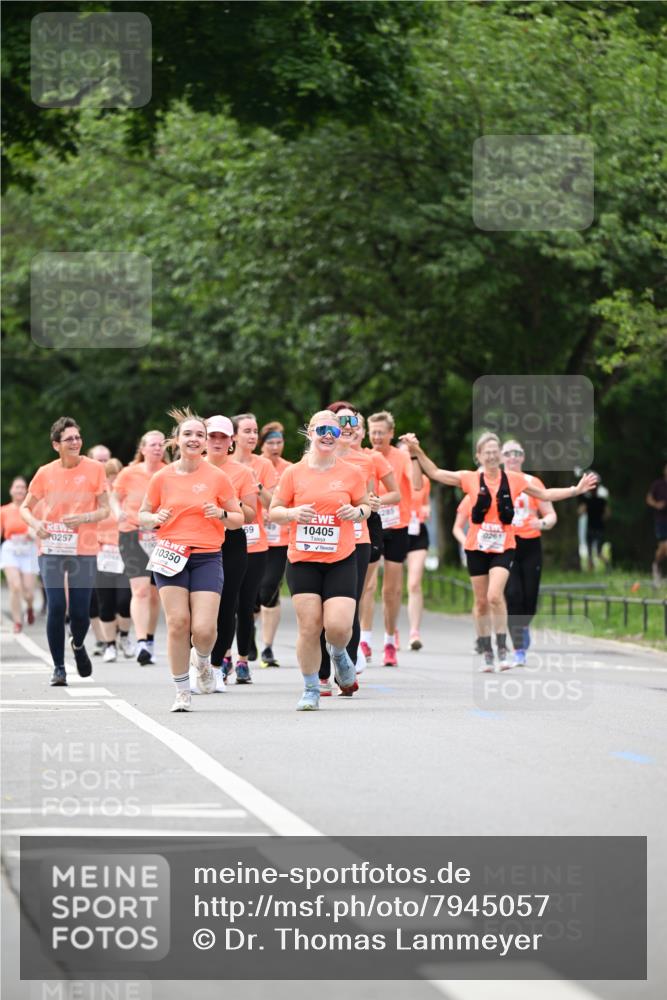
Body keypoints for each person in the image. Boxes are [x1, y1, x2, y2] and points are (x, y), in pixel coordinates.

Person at [402, 430, 598, 672]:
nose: (492, 456)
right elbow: (435, 473)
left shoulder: (514, 480)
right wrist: (417, 451)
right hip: (477, 548)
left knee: (495, 596)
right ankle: (486, 650)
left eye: (496, 452)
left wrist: (575, 490)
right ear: (479, 456)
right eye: (488, 453)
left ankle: (503, 647)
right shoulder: (470, 478)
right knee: (481, 602)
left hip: (504, 546)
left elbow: (545, 494)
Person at [138, 409, 243, 712]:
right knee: (177, 624)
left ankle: (205, 661)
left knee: (205, 629)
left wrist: (221, 514)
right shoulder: (162, 477)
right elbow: (143, 515)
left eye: (201, 435)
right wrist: (154, 517)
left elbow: (237, 518)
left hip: (207, 556)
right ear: (177, 440)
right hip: (170, 554)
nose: (195, 439)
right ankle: (182, 690)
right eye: (189, 434)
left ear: (207, 442)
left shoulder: (217, 477)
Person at [269, 410, 371, 711]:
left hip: (341, 558)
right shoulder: (293, 473)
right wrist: (291, 514)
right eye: (323, 429)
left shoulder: (351, 473)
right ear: (310, 431)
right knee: (309, 627)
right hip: (302, 559)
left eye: (335, 430)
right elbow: (274, 510)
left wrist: (358, 512)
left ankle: (339, 654)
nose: (329, 435)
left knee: (338, 627)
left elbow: (365, 505)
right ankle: (311, 688)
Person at [20, 417, 109, 686]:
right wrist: (36, 525)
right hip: (51, 547)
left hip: (84, 548)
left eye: (78, 437)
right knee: (57, 606)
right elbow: (25, 507)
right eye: (69, 439)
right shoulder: (45, 472)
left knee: (80, 613)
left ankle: (79, 645)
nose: (75, 442)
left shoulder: (94, 469)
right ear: (56, 445)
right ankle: (59, 667)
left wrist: (84, 517)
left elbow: (106, 509)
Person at [318, 402, 395, 694]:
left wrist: (374, 503)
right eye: (341, 423)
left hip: (359, 535)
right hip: (322, 539)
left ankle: (347, 664)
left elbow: (386, 495)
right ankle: (322, 671)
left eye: (352, 423)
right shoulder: (314, 459)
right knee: (321, 608)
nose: (347, 428)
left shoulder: (366, 461)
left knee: (351, 601)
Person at [359, 410, 421, 667]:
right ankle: (364, 638)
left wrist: (415, 454)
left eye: (381, 432)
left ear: (391, 433)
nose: (377, 437)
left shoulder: (401, 456)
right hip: (371, 524)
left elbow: (416, 484)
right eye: (373, 432)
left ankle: (388, 640)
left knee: (392, 590)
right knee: (366, 585)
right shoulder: (363, 456)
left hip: (397, 524)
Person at [205, 414, 258, 689]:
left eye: (222, 437)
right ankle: (198, 661)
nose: (216, 441)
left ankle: (216, 665)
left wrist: (230, 504)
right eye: (212, 436)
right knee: (198, 609)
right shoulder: (191, 468)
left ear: (231, 441)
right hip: (197, 541)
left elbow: (250, 514)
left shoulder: (241, 472)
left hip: (231, 541)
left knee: (227, 606)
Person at [230, 413, 278, 683]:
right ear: (233, 436)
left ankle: (243, 660)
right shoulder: (221, 464)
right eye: (246, 430)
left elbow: (273, 503)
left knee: (247, 604)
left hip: (255, 541)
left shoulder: (263, 465)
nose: (251, 435)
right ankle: (223, 656)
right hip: (224, 540)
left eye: (254, 430)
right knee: (227, 603)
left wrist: (255, 483)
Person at [112, 430, 167, 665]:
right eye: (153, 444)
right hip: (131, 533)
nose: (157, 448)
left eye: (161, 445)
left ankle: (150, 639)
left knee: (155, 593)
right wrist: (117, 512)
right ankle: (142, 641)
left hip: (160, 535)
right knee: (141, 589)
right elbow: (113, 496)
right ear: (142, 448)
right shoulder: (128, 473)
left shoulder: (169, 472)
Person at [501, 439, 557, 665]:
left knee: (530, 598)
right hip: (506, 544)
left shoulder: (533, 482)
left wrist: (542, 524)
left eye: (517, 453)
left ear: (523, 457)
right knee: (513, 595)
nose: (512, 457)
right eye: (508, 453)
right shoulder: (495, 481)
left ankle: (523, 626)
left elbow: (551, 514)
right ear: (501, 457)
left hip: (531, 544)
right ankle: (518, 649)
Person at [258, 421, 292, 669]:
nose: (275, 447)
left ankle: (267, 647)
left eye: (279, 442)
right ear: (262, 444)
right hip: (253, 536)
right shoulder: (253, 465)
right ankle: (246, 640)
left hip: (280, 538)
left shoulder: (290, 469)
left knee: (270, 589)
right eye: (270, 442)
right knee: (250, 594)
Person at [95, 458, 134, 662]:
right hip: (102, 554)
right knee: (106, 602)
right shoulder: (99, 499)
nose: (112, 480)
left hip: (125, 554)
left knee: (125, 600)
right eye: (109, 476)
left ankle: (125, 637)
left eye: (116, 475)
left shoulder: (128, 498)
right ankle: (109, 645)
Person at [400, 442, 431, 651]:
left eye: (410, 456)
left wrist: (426, 510)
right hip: (394, 529)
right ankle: (390, 631)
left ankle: (414, 632)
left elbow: (425, 501)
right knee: (388, 587)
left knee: (414, 583)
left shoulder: (423, 480)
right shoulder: (389, 478)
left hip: (417, 531)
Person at [0, 476, 39, 632]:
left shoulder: (32, 509)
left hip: (28, 549)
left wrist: (33, 533)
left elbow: (39, 529)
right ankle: (17, 621)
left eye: (23, 487)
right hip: (11, 549)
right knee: (15, 586)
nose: (19, 490)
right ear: (11, 490)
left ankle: (29, 607)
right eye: (17, 487)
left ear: (26, 491)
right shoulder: (4, 510)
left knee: (28, 592)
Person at [579, 476, 610, 571]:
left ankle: (593, 569)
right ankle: (605, 565)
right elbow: (607, 514)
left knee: (592, 552)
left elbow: (580, 512)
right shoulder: (602, 501)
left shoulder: (588, 501)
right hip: (598, 527)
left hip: (592, 527)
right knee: (597, 552)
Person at [646, 463, 667, 585]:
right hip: (661, 520)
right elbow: (649, 498)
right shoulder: (658, 484)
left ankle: (657, 567)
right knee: (663, 548)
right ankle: (656, 564)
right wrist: (657, 505)